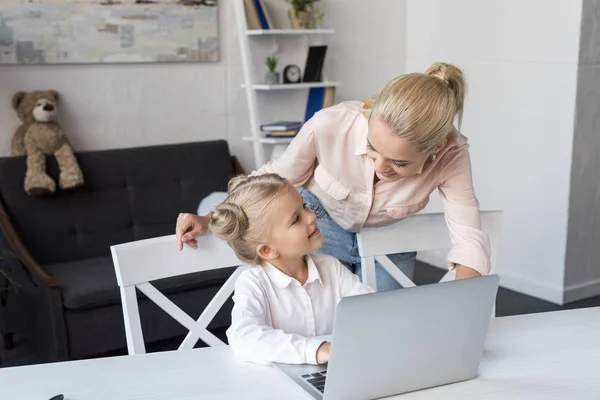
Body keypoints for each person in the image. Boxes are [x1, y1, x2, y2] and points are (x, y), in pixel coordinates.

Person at [176, 62, 491, 290]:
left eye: (398, 163)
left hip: (389, 241)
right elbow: (273, 179)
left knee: (387, 331)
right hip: (318, 229)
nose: (380, 166)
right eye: (371, 147)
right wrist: (210, 217)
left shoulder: (452, 152)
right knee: (323, 330)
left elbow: (468, 237)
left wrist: (463, 307)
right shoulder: (331, 123)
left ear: (435, 148)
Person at [210, 173, 374, 365]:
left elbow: (369, 308)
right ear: (268, 250)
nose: (311, 216)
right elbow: (244, 337)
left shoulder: (331, 267)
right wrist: (317, 350)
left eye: (304, 206)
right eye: (296, 219)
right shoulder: (254, 283)